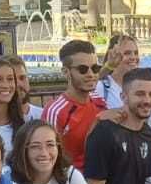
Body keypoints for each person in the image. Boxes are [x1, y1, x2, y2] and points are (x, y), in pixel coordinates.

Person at [82, 66, 151, 184]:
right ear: (124, 96)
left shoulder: (150, 136)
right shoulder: (105, 132)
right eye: (139, 94)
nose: (147, 100)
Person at [44, 39, 108, 168]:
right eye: (82, 69)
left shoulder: (99, 102)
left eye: (95, 68)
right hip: (71, 182)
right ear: (66, 72)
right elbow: (48, 157)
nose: (91, 74)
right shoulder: (56, 111)